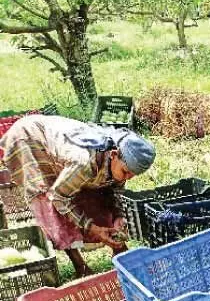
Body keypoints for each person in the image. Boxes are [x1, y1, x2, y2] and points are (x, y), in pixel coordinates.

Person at [0, 115, 156, 278]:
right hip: (29, 140)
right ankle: (79, 266)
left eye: (132, 175)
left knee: (96, 193)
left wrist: (118, 216)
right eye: (125, 172)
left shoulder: (120, 159)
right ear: (114, 154)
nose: (127, 178)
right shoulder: (84, 162)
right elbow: (59, 198)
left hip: (59, 139)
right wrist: (93, 228)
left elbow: (114, 191)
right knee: (47, 198)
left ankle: (119, 251)